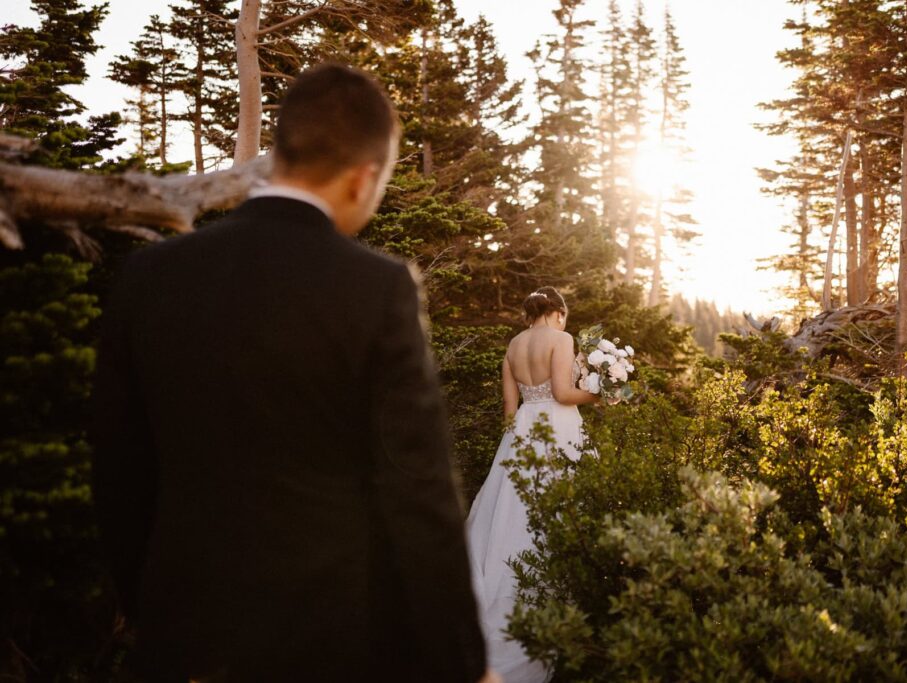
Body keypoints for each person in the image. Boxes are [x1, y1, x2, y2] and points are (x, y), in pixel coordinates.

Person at [91, 63, 498, 683]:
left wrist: (151, 610)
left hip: (184, 638)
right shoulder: (376, 289)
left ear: (279, 151)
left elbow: (118, 469)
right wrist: (464, 665)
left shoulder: (152, 275)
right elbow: (420, 492)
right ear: (364, 179)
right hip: (331, 643)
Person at [465, 287, 599, 682]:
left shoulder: (513, 345)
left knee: (510, 515)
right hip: (558, 429)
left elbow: (510, 413)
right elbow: (562, 393)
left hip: (520, 434)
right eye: (565, 316)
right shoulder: (562, 339)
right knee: (562, 512)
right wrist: (599, 394)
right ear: (557, 312)